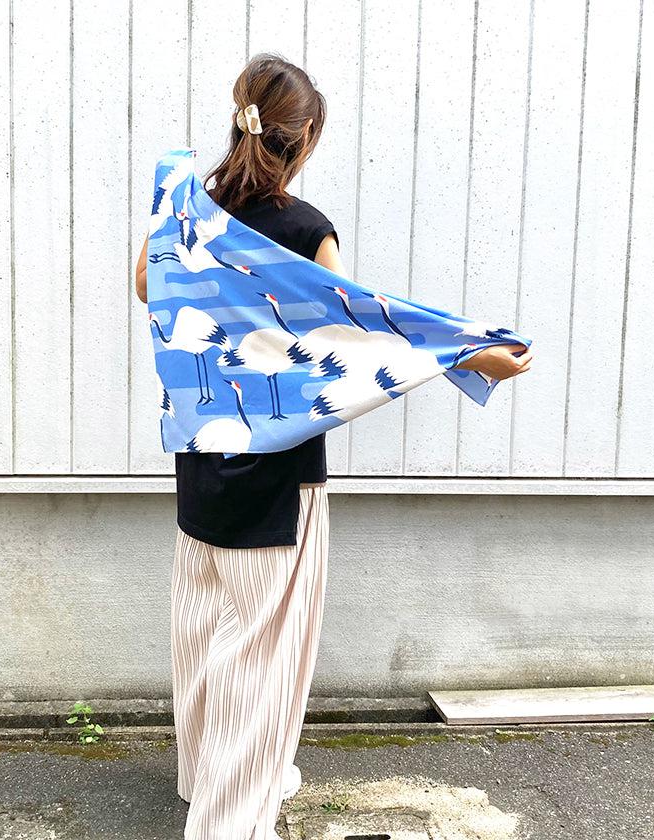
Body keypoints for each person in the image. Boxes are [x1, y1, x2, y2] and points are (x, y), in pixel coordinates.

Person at [135, 52, 532, 840]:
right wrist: (468, 353)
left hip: (202, 456)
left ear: (240, 117)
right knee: (262, 659)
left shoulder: (186, 205)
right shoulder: (306, 231)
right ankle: (229, 822)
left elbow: (149, 286)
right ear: (307, 136)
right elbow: (360, 337)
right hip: (280, 482)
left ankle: (204, 781)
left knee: (203, 631)